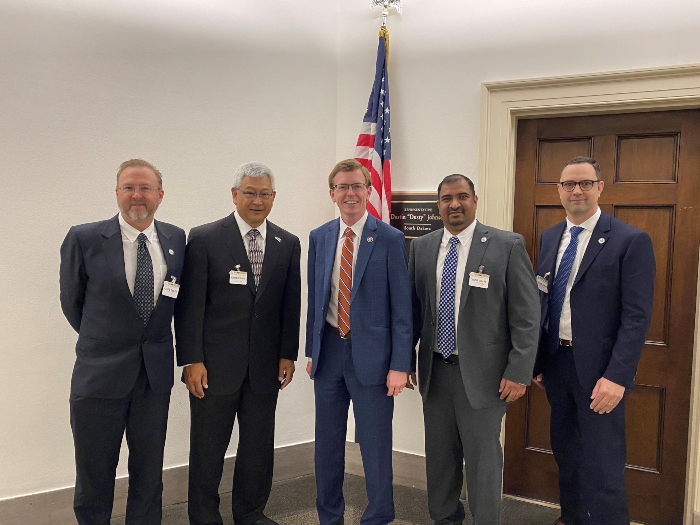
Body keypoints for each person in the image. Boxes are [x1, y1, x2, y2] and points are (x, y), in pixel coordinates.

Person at [408, 173, 540, 525]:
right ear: (438, 204)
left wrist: (518, 371)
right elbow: (412, 309)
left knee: (483, 462)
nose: (455, 204)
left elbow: (527, 315)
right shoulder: (422, 247)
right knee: (439, 459)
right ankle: (446, 519)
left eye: (462, 196)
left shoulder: (505, 245)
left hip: (485, 376)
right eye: (447, 198)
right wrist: (404, 358)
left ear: (475, 200)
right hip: (435, 373)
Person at [60, 159, 186, 525]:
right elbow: (74, 304)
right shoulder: (84, 238)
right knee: (94, 474)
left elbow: (177, 301)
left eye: (145, 188)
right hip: (100, 376)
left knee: (149, 473)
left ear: (160, 195)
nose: (137, 195)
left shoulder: (176, 238)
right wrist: (108, 338)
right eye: (129, 187)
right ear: (117, 192)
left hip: (153, 377)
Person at [174, 162, 301, 525]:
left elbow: (289, 305)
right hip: (213, 368)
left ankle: (250, 514)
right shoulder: (205, 238)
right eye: (250, 192)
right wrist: (191, 359)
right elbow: (189, 307)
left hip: (264, 369)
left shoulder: (287, 243)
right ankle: (204, 517)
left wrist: (286, 353)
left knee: (258, 449)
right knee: (208, 449)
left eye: (264, 194)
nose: (257, 200)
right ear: (234, 194)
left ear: (273, 198)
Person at [533, 156, 655, 525]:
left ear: (600, 188)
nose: (577, 191)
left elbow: (636, 317)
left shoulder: (630, 240)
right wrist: (538, 362)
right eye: (569, 184)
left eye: (585, 183)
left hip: (602, 374)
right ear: (559, 191)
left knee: (603, 466)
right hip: (557, 365)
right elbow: (542, 301)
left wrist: (617, 377)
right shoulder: (550, 236)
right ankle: (571, 519)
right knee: (566, 455)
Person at [305, 159, 412, 525]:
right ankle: (328, 517)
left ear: (369, 190)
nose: (350, 193)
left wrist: (400, 364)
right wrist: (311, 351)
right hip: (329, 353)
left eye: (357, 186)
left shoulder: (390, 238)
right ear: (332, 193)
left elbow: (402, 309)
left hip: (375, 361)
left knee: (376, 449)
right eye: (342, 187)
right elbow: (315, 299)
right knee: (327, 448)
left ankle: (378, 517)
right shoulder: (319, 237)